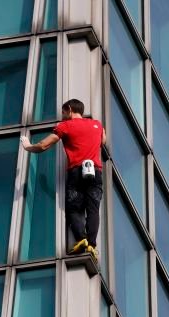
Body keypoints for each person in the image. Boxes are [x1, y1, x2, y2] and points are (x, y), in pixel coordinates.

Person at [20, 98, 106, 259]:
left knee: (74, 207)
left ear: (69, 109)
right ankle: (92, 245)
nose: (63, 114)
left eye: (63, 111)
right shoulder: (97, 124)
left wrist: (27, 146)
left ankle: (81, 239)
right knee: (93, 209)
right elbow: (103, 141)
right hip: (96, 172)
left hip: (76, 171)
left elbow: (43, 145)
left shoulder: (64, 126)